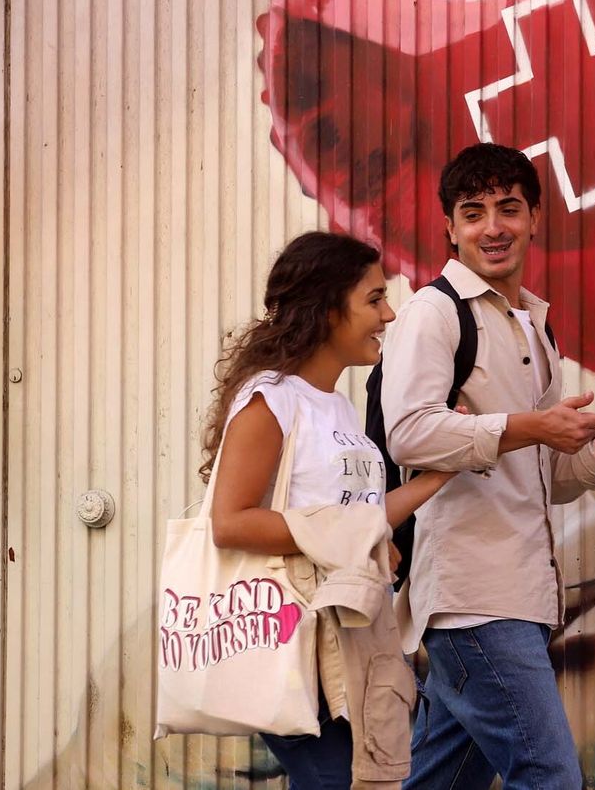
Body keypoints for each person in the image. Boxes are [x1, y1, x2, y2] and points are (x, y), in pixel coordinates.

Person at [382, 143, 595, 789]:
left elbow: (546, 475)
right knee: (551, 778)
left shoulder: (532, 327)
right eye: (474, 211)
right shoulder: (435, 314)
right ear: (450, 229)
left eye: (509, 208)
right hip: (476, 601)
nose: (494, 226)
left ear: (536, 217)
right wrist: (530, 426)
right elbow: (409, 433)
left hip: (517, 597)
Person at [201, 230, 456, 788]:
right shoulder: (272, 398)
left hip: (346, 639)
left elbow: (356, 519)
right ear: (325, 309)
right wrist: (345, 537)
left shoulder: (338, 407)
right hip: (292, 640)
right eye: (373, 299)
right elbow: (230, 521)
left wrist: (447, 468)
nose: (388, 314)